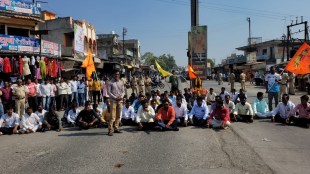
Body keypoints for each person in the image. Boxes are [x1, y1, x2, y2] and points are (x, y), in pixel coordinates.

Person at [107, 70, 125, 136]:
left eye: (118, 74)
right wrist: (115, 97)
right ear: (113, 75)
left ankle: (116, 128)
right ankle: (110, 130)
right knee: (112, 116)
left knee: (118, 116)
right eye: (115, 74)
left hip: (120, 100)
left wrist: (121, 96)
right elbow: (109, 92)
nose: (117, 75)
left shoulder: (121, 82)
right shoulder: (110, 82)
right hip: (113, 101)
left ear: (119, 75)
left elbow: (123, 91)